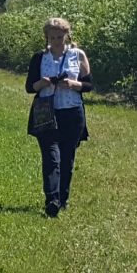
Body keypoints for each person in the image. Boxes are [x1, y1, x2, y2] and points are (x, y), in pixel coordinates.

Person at [23, 16, 91, 217]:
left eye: (59, 37)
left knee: (67, 157)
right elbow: (29, 87)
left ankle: (63, 199)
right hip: (46, 112)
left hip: (72, 112)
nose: (56, 41)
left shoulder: (78, 55)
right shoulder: (39, 58)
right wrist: (43, 83)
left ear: (67, 35)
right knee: (51, 157)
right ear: (46, 37)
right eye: (52, 38)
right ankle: (51, 200)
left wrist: (73, 84)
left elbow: (89, 85)